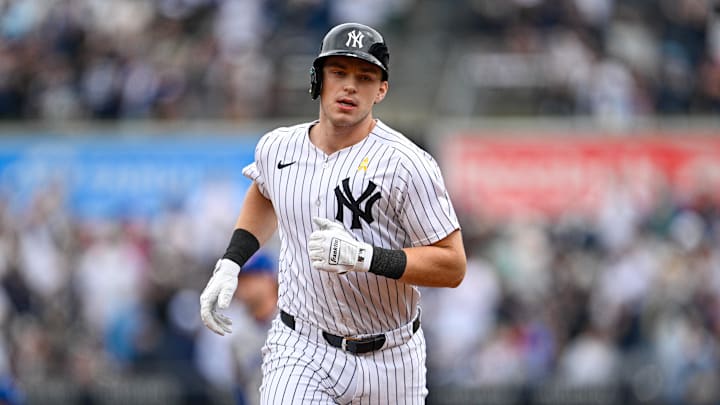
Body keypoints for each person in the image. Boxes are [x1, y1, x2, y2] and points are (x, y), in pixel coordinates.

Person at [200, 22, 466, 404]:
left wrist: (364, 257)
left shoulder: (408, 164)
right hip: (302, 346)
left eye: (365, 76)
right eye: (338, 72)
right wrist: (230, 263)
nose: (350, 86)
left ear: (382, 89)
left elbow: (452, 265)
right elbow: (264, 193)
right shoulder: (278, 148)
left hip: (391, 358)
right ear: (317, 80)